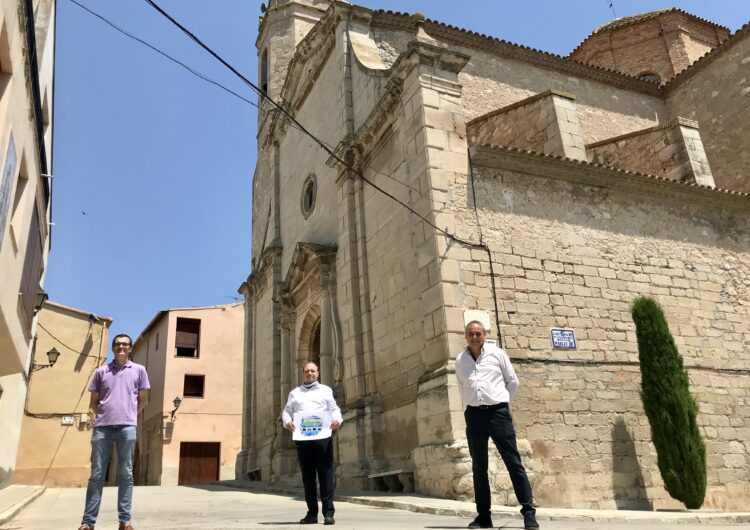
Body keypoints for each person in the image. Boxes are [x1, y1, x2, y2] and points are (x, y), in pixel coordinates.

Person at [456, 321, 539, 530]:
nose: (474, 337)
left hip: (498, 414)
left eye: (478, 333)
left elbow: (513, 382)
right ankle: (484, 517)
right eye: (471, 334)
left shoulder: (497, 354)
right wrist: (468, 407)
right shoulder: (460, 359)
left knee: (514, 462)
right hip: (474, 416)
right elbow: (461, 385)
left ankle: (529, 513)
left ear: (485, 335)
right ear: (466, 337)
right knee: (479, 467)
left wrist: (503, 405)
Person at [79, 334, 150, 530]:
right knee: (97, 474)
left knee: (126, 473)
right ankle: (88, 522)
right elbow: (93, 403)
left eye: (125, 344)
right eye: (118, 344)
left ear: (130, 348)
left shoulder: (139, 371)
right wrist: (105, 417)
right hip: (102, 428)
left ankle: (125, 521)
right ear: (113, 348)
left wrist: (129, 415)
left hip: (127, 427)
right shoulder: (101, 371)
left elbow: (144, 400)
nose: (121, 347)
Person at [282, 361, 343, 525]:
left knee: (326, 476)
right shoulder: (295, 393)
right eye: (307, 371)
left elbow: (334, 409)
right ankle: (311, 514)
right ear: (303, 374)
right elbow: (286, 412)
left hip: (323, 438)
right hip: (303, 440)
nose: (310, 373)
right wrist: (287, 422)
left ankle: (328, 513)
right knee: (308, 478)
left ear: (318, 373)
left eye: (313, 371)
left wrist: (337, 419)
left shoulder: (326, 390)